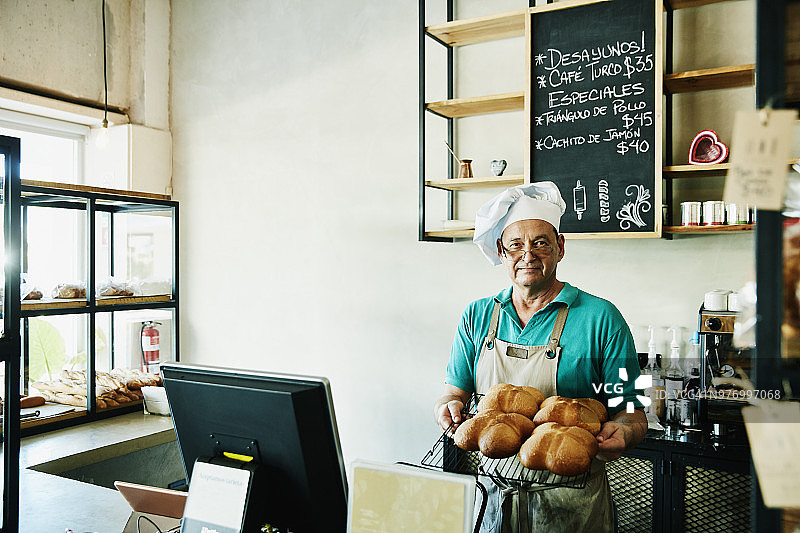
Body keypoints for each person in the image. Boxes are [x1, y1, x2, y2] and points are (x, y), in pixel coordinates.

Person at [434, 182, 647, 533]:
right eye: (515, 245)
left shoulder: (601, 317)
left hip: (572, 506)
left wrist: (625, 431)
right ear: (501, 252)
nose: (528, 255)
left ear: (560, 248)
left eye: (540, 243)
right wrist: (447, 406)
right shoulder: (476, 315)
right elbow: (453, 393)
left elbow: (634, 412)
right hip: (493, 499)